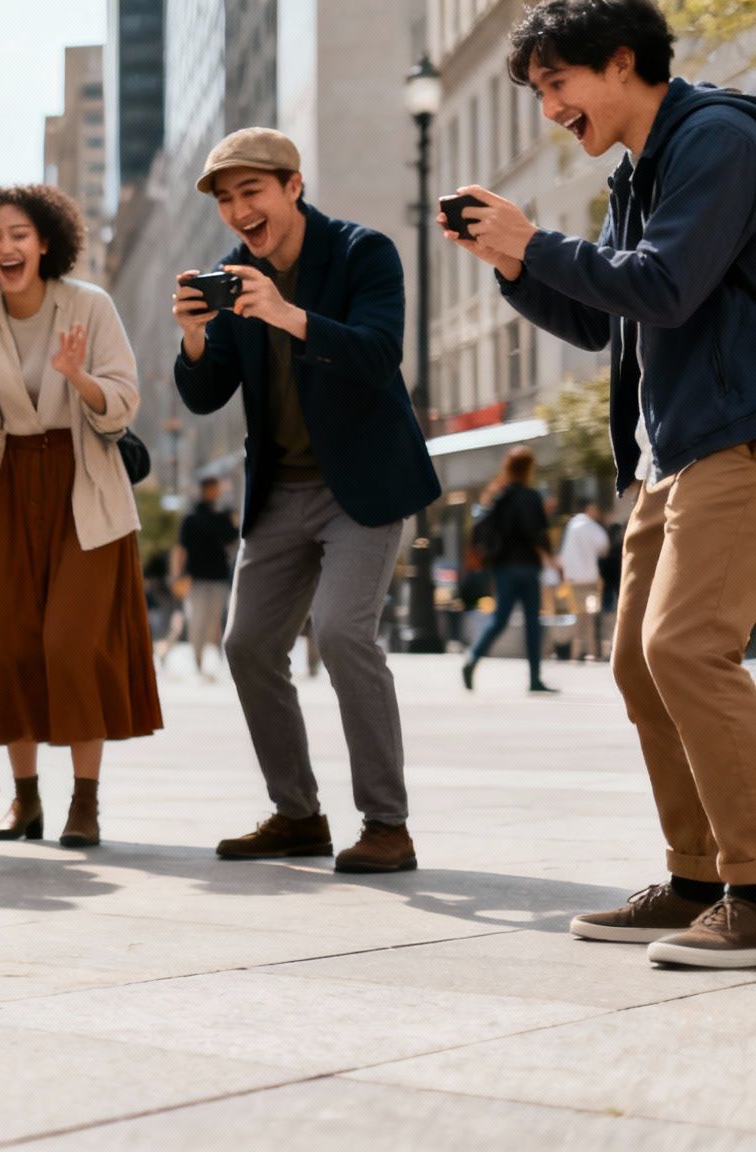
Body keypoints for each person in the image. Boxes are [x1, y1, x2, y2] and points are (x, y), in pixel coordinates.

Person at [451, 0, 756, 966]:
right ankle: (700, 874)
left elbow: (664, 284)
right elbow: (606, 323)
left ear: (621, 63)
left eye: (557, 85)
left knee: (686, 648)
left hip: (740, 433)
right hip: (673, 449)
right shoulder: (635, 172)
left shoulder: (716, 138)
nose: (549, 111)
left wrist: (537, 244)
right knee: (636, 661)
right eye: (541, 92)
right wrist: (512, 265)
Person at [172, 127, 441, 874]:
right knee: (248, 644)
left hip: (361, 486)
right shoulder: (233, 272)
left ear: (293, 185)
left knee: (343, 634)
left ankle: (387, 824)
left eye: (250, 192)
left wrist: (286, 314)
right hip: (280, 490)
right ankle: (297, 815)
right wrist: (196, 338)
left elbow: (379, 353)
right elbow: (205, 393)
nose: (238, 211)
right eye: (226, 200)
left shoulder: (363, 252)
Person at [0, 183, 162, 848]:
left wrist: (79, 377)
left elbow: (123, 404)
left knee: (72, 645)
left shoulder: (90, 307)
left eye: (18, 234)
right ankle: (25, 801)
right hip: (14, 492)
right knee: (11, 649)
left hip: (85, 489)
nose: (6, 247)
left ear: (45, 241)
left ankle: (86, 803)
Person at [462, 447, 557, 693]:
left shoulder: (497, 496)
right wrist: (551, 559)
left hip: (502, 567)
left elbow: (481, 529)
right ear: (528, 469)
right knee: (532, 622)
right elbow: (537, 532)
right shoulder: (531, 497)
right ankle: (535, 679)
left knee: (500, 618)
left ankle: (473, 658)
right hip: (527, 566)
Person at [173, 476, 240, 680]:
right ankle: (198, 661)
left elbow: (232, 539)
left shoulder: (222, 516)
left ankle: (211, 662)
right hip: (197, 577)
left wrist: (234, 521)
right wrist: (176, 574)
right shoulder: (192, 518)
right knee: (198, 620)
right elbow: (181, 548)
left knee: (214, 620)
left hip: (219, 576)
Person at [557, 501, 611, 661]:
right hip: (591, 578)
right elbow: (604, 548)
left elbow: (565, 554)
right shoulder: (593, 528)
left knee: (578, 615)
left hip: (574, 579)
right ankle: (592, 651)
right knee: (591, 615)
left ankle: (576, 652)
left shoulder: (572, 527)